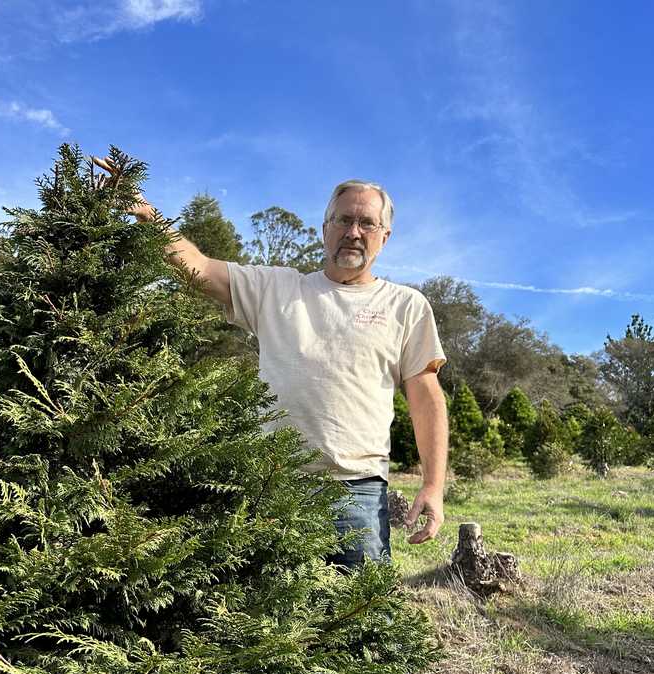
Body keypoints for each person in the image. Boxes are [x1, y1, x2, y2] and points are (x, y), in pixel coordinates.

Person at [92, 156, 449, 566]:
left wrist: (433, 486)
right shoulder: (276, 288)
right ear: (324, 230)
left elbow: (426, 397)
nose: (353, 232)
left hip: (358, 492)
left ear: (384, 237)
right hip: (271, 485)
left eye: (367, 224)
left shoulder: (406, 306)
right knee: (267, 621)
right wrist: (147, 215)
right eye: (343, 220)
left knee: (362, 622)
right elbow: (199, 268)